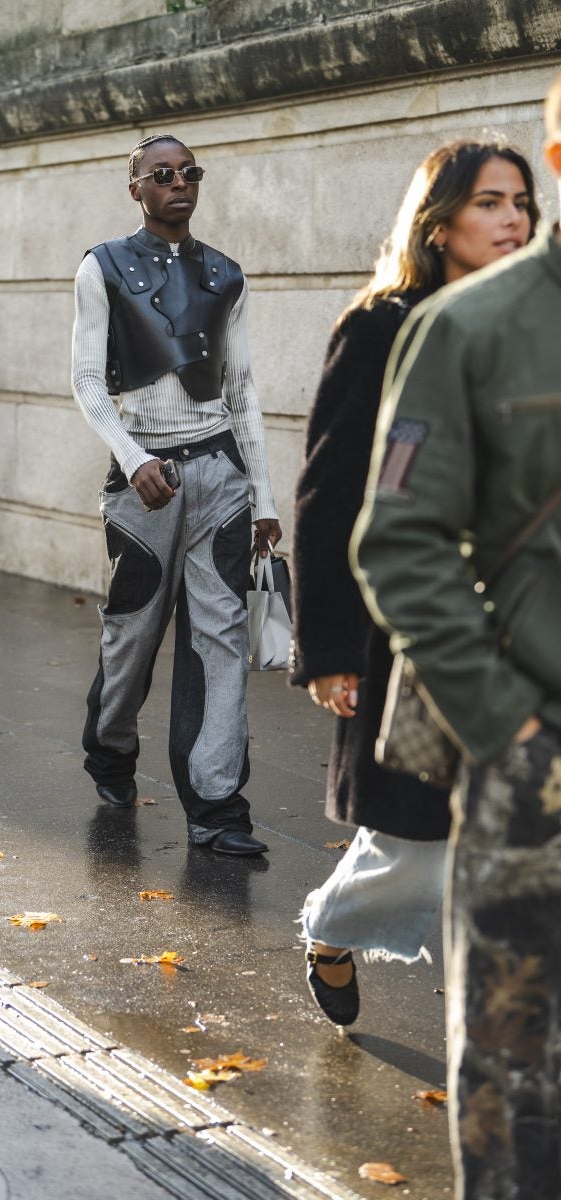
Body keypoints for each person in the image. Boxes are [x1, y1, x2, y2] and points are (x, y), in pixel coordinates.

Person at [351, 81, 561, 1200]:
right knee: (514, 1076)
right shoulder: (465, 328)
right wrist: (505, 725)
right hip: (536, 769)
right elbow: (397, 542)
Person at [290, 138, 538, 1025]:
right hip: (414, 633)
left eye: (521, 202)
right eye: (490, 203)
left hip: (525, 631)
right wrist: (325, 647)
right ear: (438, 225)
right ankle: (332, 923)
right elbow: (330, 492)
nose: (513, 219)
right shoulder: (382, 326)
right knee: (418, 847)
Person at [71, 133, 281, 856]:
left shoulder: (227, 276)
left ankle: (217, 807)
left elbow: (243, 390)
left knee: (219, 636)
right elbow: (88, 381)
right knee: (133, 629)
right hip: (142, 479)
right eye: (161, 174)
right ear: (136, 188)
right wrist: (132, 460)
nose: (178, 183)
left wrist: (267, 497)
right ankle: (110, 749)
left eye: (189, 172)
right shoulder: (101, 267)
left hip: (219, 473)